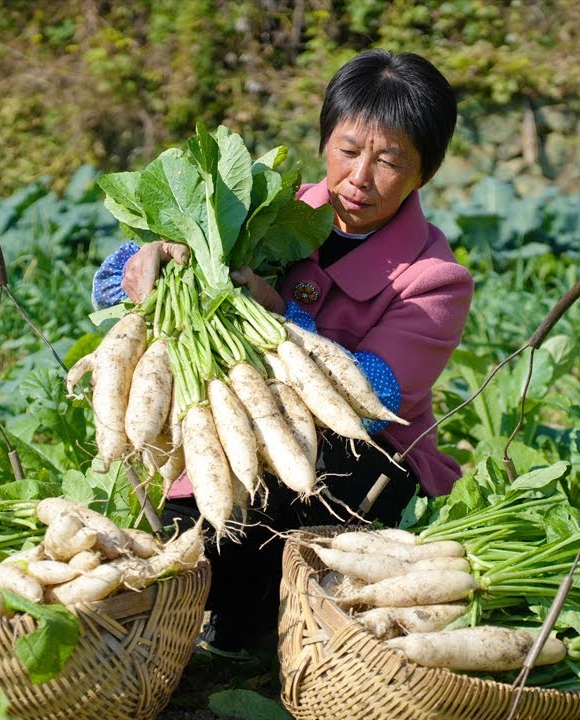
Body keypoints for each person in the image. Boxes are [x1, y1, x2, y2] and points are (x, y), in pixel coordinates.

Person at [91, 49, 472, 656]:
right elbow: (114, 286)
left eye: (389, 161)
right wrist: (143, 265)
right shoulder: (270, 210)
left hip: (356, 465)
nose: (359, 178)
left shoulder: (435, 279)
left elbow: (368, 400)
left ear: (423, 173)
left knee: (306, 487)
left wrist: (280, 318)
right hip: (229, 438)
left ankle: (275, 610)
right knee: (201, 548)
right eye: (348, 151)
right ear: (325, 142)